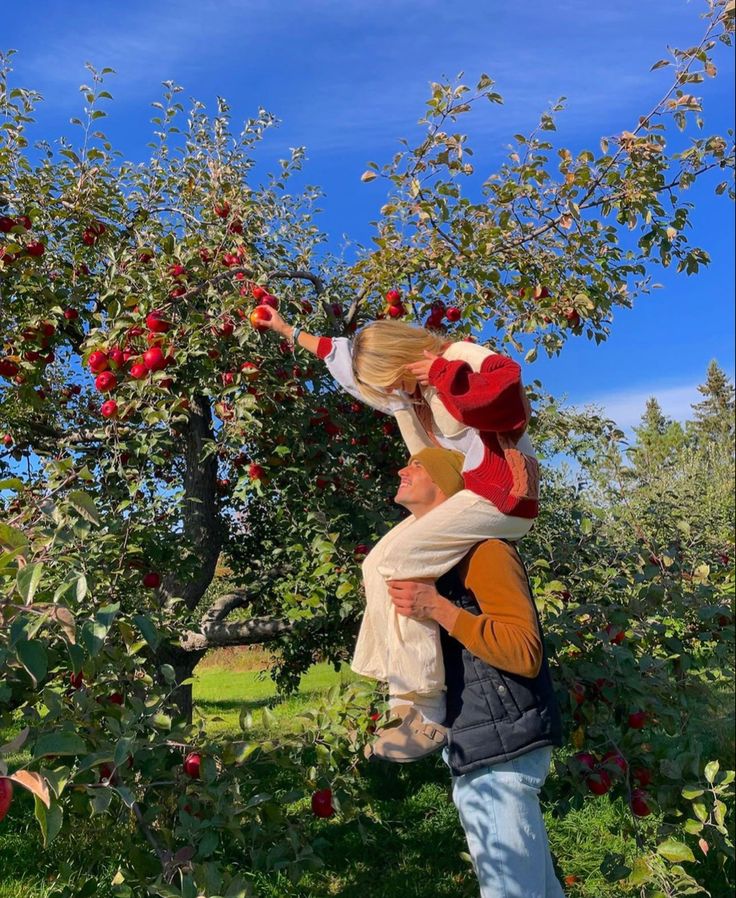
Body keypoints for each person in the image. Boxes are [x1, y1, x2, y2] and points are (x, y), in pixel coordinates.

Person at [259, 309, 539, 757]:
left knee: (400, 560)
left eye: (388, 381)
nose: (388, 394)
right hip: (465, 498)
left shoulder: (457, 358)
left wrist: (446, 373)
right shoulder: (406, 392)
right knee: (376, 564)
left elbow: (509, 398)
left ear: (400, 358)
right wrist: (286, 330)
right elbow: (342, 357)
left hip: (503, 494)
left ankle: (427, 711)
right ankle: (400, 700)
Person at [380, 446, 566, 898]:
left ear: (444, 483)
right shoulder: (439, 557)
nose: (402, 469)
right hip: (480, 742)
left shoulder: (485, 551)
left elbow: (525, 652)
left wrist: (439, 609)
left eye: (417, 464)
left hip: (500, 752)